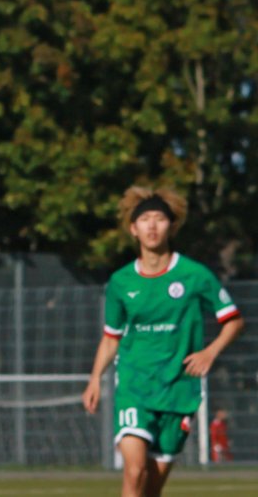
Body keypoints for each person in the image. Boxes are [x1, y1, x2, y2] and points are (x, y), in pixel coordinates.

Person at [82, 186, 243, 497]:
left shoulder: (195, 275)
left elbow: (233, 320)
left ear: (172, 225)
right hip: (134, 384)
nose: (152, 226)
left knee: (152, 486)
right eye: (144, 219)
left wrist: (210, 352)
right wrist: (94, 379)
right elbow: (111, 337)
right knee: (135, 469)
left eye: (159, 219)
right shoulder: (121, 281)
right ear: (133, 228)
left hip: (178, 389)